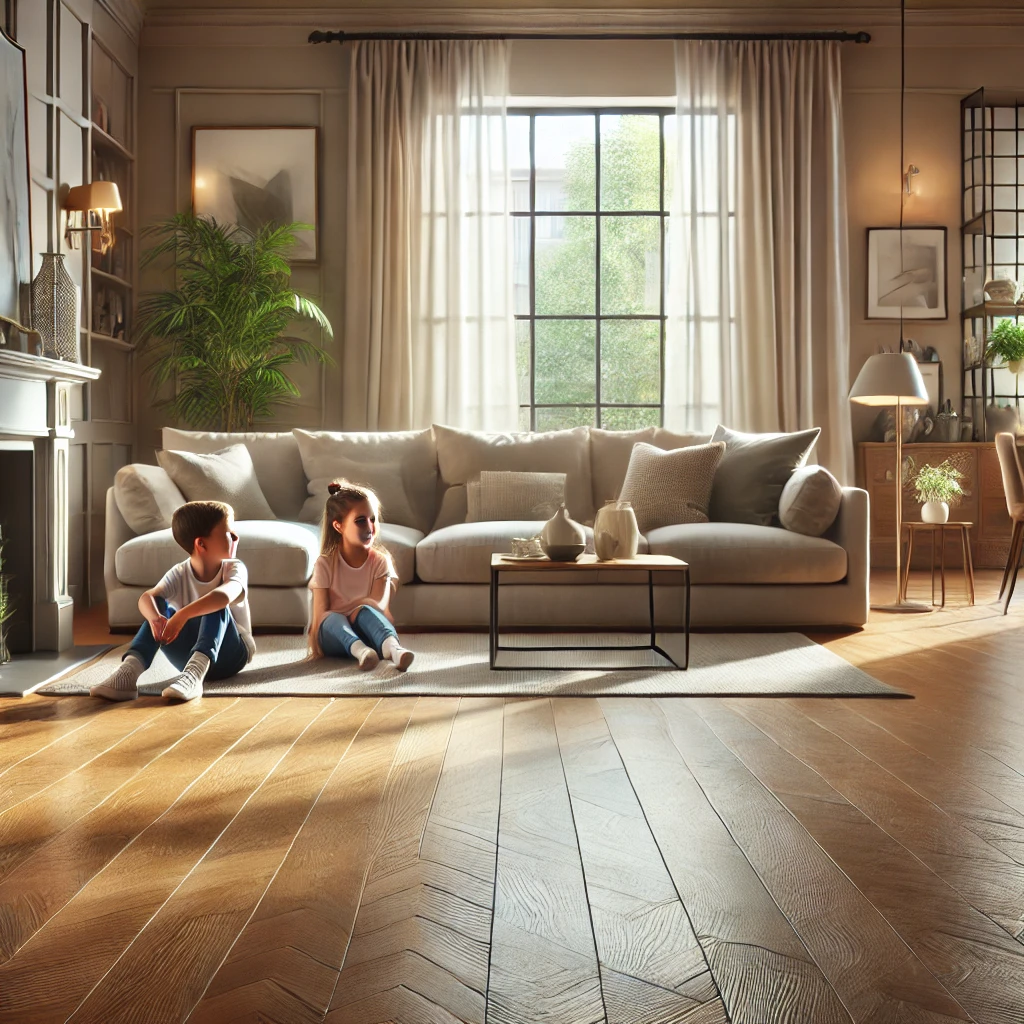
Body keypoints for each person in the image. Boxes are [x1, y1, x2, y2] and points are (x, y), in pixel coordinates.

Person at [91, 501, 254, 702]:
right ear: (201, 544)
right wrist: (155, 619)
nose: (236, 537)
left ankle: (195, 675)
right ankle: (129, 672)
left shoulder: (234, 568)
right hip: (185, 659)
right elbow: (146, 598)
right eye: (229, 533)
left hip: (231, 654)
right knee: (158, 604)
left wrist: (182, 615)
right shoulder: (179, 573)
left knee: (214, 603)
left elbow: (223, 597)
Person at [308, 480, 414, 671]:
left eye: (372, 519)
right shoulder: (324, 564)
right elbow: (320, 615)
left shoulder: (381, 561)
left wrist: (357, 611)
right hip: (335, 636)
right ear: (338, 526)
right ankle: (362, 652)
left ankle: (395, 650)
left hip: (372, 633)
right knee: (332, 617)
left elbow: (379, 605)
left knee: (365, 612)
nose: (369, 527)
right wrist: (351, 612)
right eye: (360, 521)